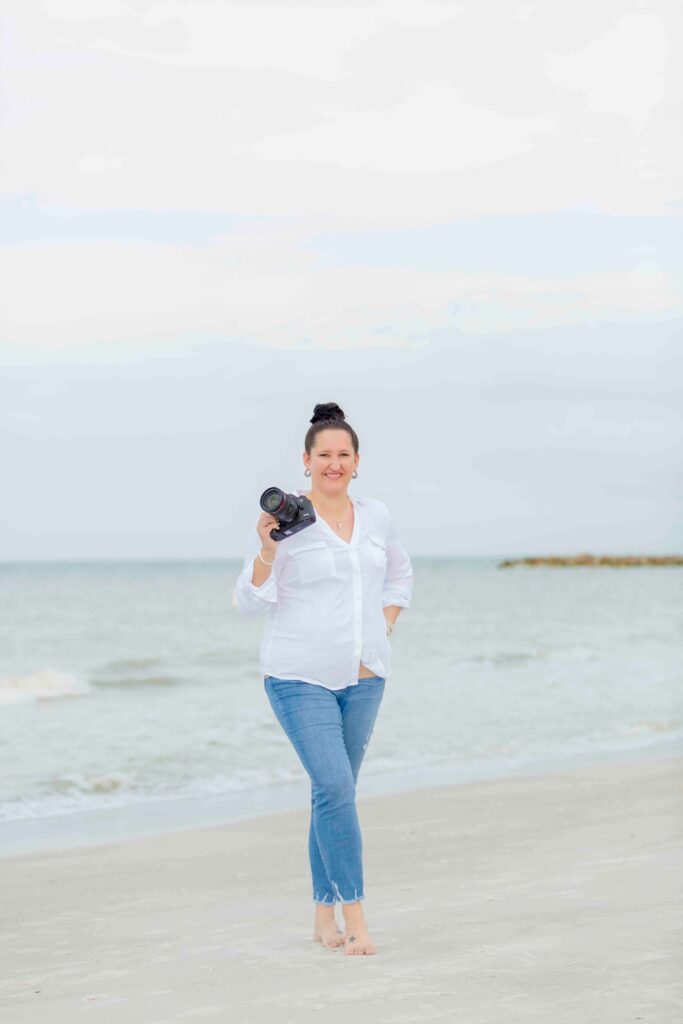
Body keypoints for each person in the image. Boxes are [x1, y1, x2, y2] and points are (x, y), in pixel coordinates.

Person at [233, 402, 415, 955]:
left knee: (332, 793)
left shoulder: (377, 516)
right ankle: (355, 916)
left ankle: (321, 916)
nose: (333, 463)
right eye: (323, 455)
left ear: (356, 462)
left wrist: (380, 631)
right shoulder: (288, 523)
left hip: (364, 678)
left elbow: (400, 576)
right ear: (306, 462)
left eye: (343, 454)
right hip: (297, 676)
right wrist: (267, 550)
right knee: (335, 789)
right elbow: (247, 600)